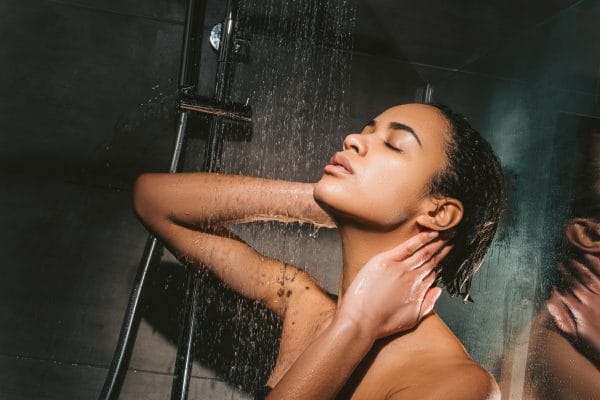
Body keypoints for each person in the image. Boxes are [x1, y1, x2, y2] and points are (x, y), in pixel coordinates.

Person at [133, 103, 504, 399]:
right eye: (367, 129)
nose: (352, 139)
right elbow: (153, 200)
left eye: (394, 144)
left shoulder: (457, 386)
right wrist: (313, 203)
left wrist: (356, 328)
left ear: (439, 212)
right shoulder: (306, 304)